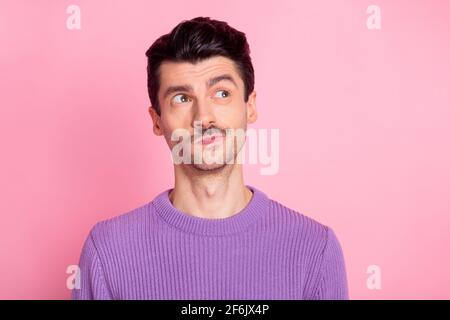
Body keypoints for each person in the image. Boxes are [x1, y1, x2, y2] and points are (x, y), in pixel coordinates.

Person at [72, 16, 349, 300]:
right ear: (157, 120)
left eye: (221, 93)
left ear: (250, 106)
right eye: (181, 98)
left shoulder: (316, 249)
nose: (203, 117)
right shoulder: (107, 252)